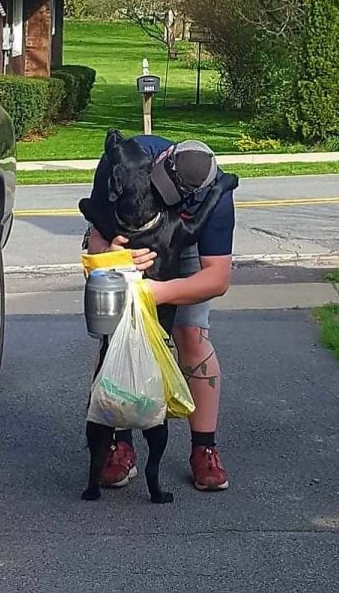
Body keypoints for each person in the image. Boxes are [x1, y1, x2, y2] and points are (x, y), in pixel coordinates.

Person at [84, 134, 236, 491]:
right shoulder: (122, 160)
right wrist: (111, 250)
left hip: (183, 242)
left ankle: (204, 449)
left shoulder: (217, 198)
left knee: (190, 334)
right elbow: (95, 236)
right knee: (118, 339)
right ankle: (118, 444)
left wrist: (159, 293)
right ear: (161, 158)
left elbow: (216, 278)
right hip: (127, 243)